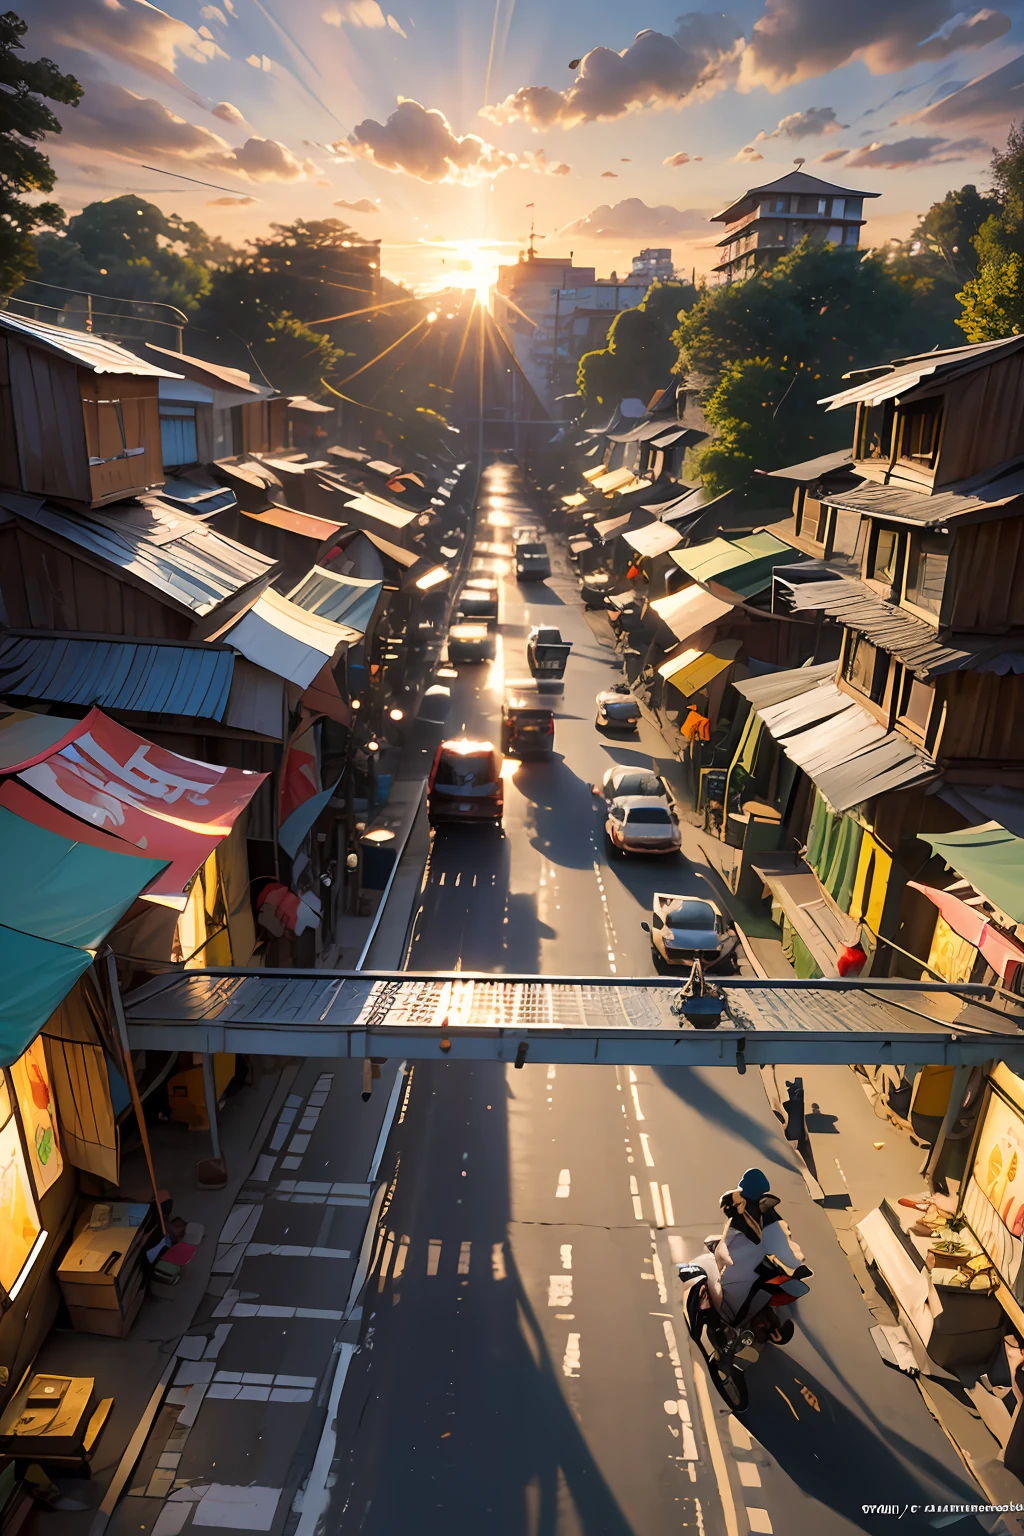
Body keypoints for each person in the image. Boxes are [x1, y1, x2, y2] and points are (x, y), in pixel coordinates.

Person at [713, 1167, 810, 1343]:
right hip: (742, 1266)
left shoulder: (734, 1202)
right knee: (736, 1305)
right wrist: (796, 1265)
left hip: (732, 1254)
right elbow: (779, 1246)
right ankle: (729, 1334)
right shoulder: (763, 1214)